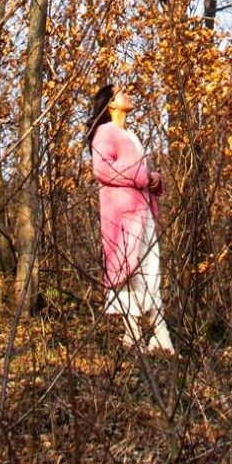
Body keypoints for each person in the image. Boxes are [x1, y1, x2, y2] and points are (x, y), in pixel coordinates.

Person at [86, 80, 175, 354]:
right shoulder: (104, 132)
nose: (128, 94)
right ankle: (158, 339)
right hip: (122, 218)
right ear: (111, 103)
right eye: (122, 93)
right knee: (132, 273)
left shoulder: (132, 135)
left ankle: (135, 338)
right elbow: (102, 169)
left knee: (147, 273)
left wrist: (153, 179)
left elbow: (138, 174)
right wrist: (140, 175)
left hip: (142, 212)